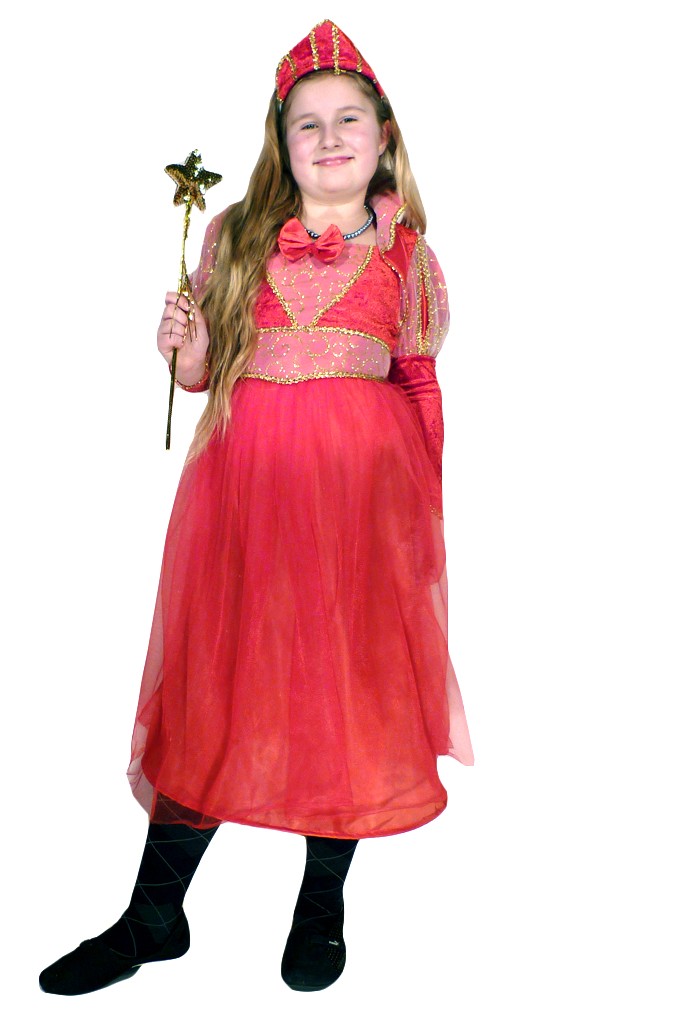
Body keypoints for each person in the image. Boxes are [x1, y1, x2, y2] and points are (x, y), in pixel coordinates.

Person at [39, 19, 474, 997]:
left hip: (357, 508)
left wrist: (419, 518)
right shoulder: (234, 234)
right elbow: (204, 373)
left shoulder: (407, 254)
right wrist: (183, 349)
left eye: (348, 118)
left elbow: (418, 381)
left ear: (384, 136)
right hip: (243, 497)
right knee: (216, 683)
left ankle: (322, 906)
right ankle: (155, 916)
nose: (328, 136)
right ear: (280, 143)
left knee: (343, 687)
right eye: (306, 123)